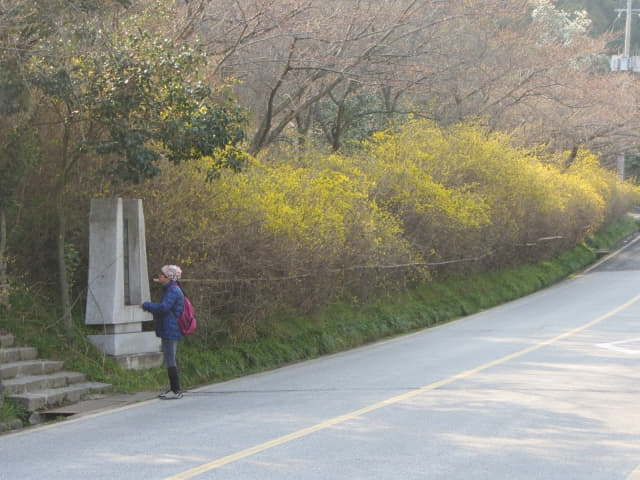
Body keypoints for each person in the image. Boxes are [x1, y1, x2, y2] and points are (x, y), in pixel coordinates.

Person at [142, 264, 185, 400]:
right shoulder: (171, 289)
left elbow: (163, 307)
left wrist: (146, 305)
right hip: (170, 328)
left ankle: (175, 389)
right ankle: (174, 389)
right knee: (169, 358)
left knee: (170, 359)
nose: (159, 276)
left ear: (168, 277)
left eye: (162, 274)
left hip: (170, 329)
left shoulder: (172, 291)